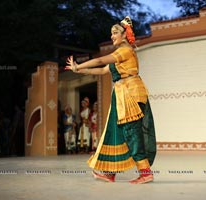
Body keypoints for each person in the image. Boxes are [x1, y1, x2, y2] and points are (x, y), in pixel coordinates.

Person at [65, 16, 156, 184]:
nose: (112, 36)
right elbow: (102, 70)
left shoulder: (125, 51)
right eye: (111, 33)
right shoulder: (119, 55)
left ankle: (146, 173)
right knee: (115, 132)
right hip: (121, 95)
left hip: (131, 93)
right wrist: (79, 71)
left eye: (115, 33)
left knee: (132, 133)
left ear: (124, 35)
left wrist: (79, 65)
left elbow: (100, 60)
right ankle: (110, 172)